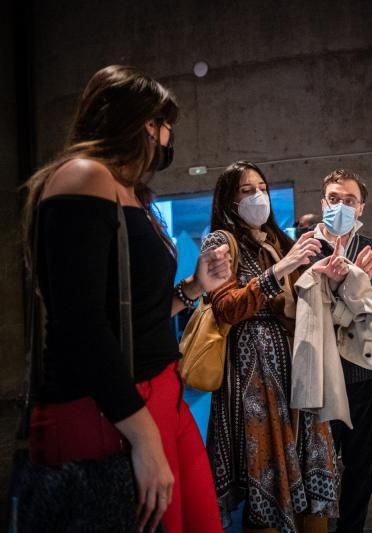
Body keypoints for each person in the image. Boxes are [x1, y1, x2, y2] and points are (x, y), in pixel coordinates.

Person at [21, 65, 230, 533]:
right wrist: (143, 436)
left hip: (159, 396)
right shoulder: (84, 176)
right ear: (136, 123)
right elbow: (81, 325)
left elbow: (136, 314)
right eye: (161, 123)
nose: (165, 136)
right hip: (110, 407)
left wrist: (193, 289)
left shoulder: (131, 193)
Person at [201, 161, 339, 533]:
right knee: (267, 480)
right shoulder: (219, 242)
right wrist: (279, 271)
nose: (258, 195)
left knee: (313, 480)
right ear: (229, 198)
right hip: (255, 383)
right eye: (247, 190)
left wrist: (325, 275)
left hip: (297, 370)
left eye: (261, 187)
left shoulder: (279, 240)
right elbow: (227, 307)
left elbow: (300, 298)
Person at [309, 169, 372, 533]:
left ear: (362, 206)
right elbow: (303, 316)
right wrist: (349, 285)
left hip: (365, 375)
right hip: (320, 377)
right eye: (334, 198)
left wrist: (364, 285)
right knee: (318, 461)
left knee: (361, 464)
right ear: (322, 202)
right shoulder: (305, 248)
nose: (341, 206)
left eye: (349, 200)